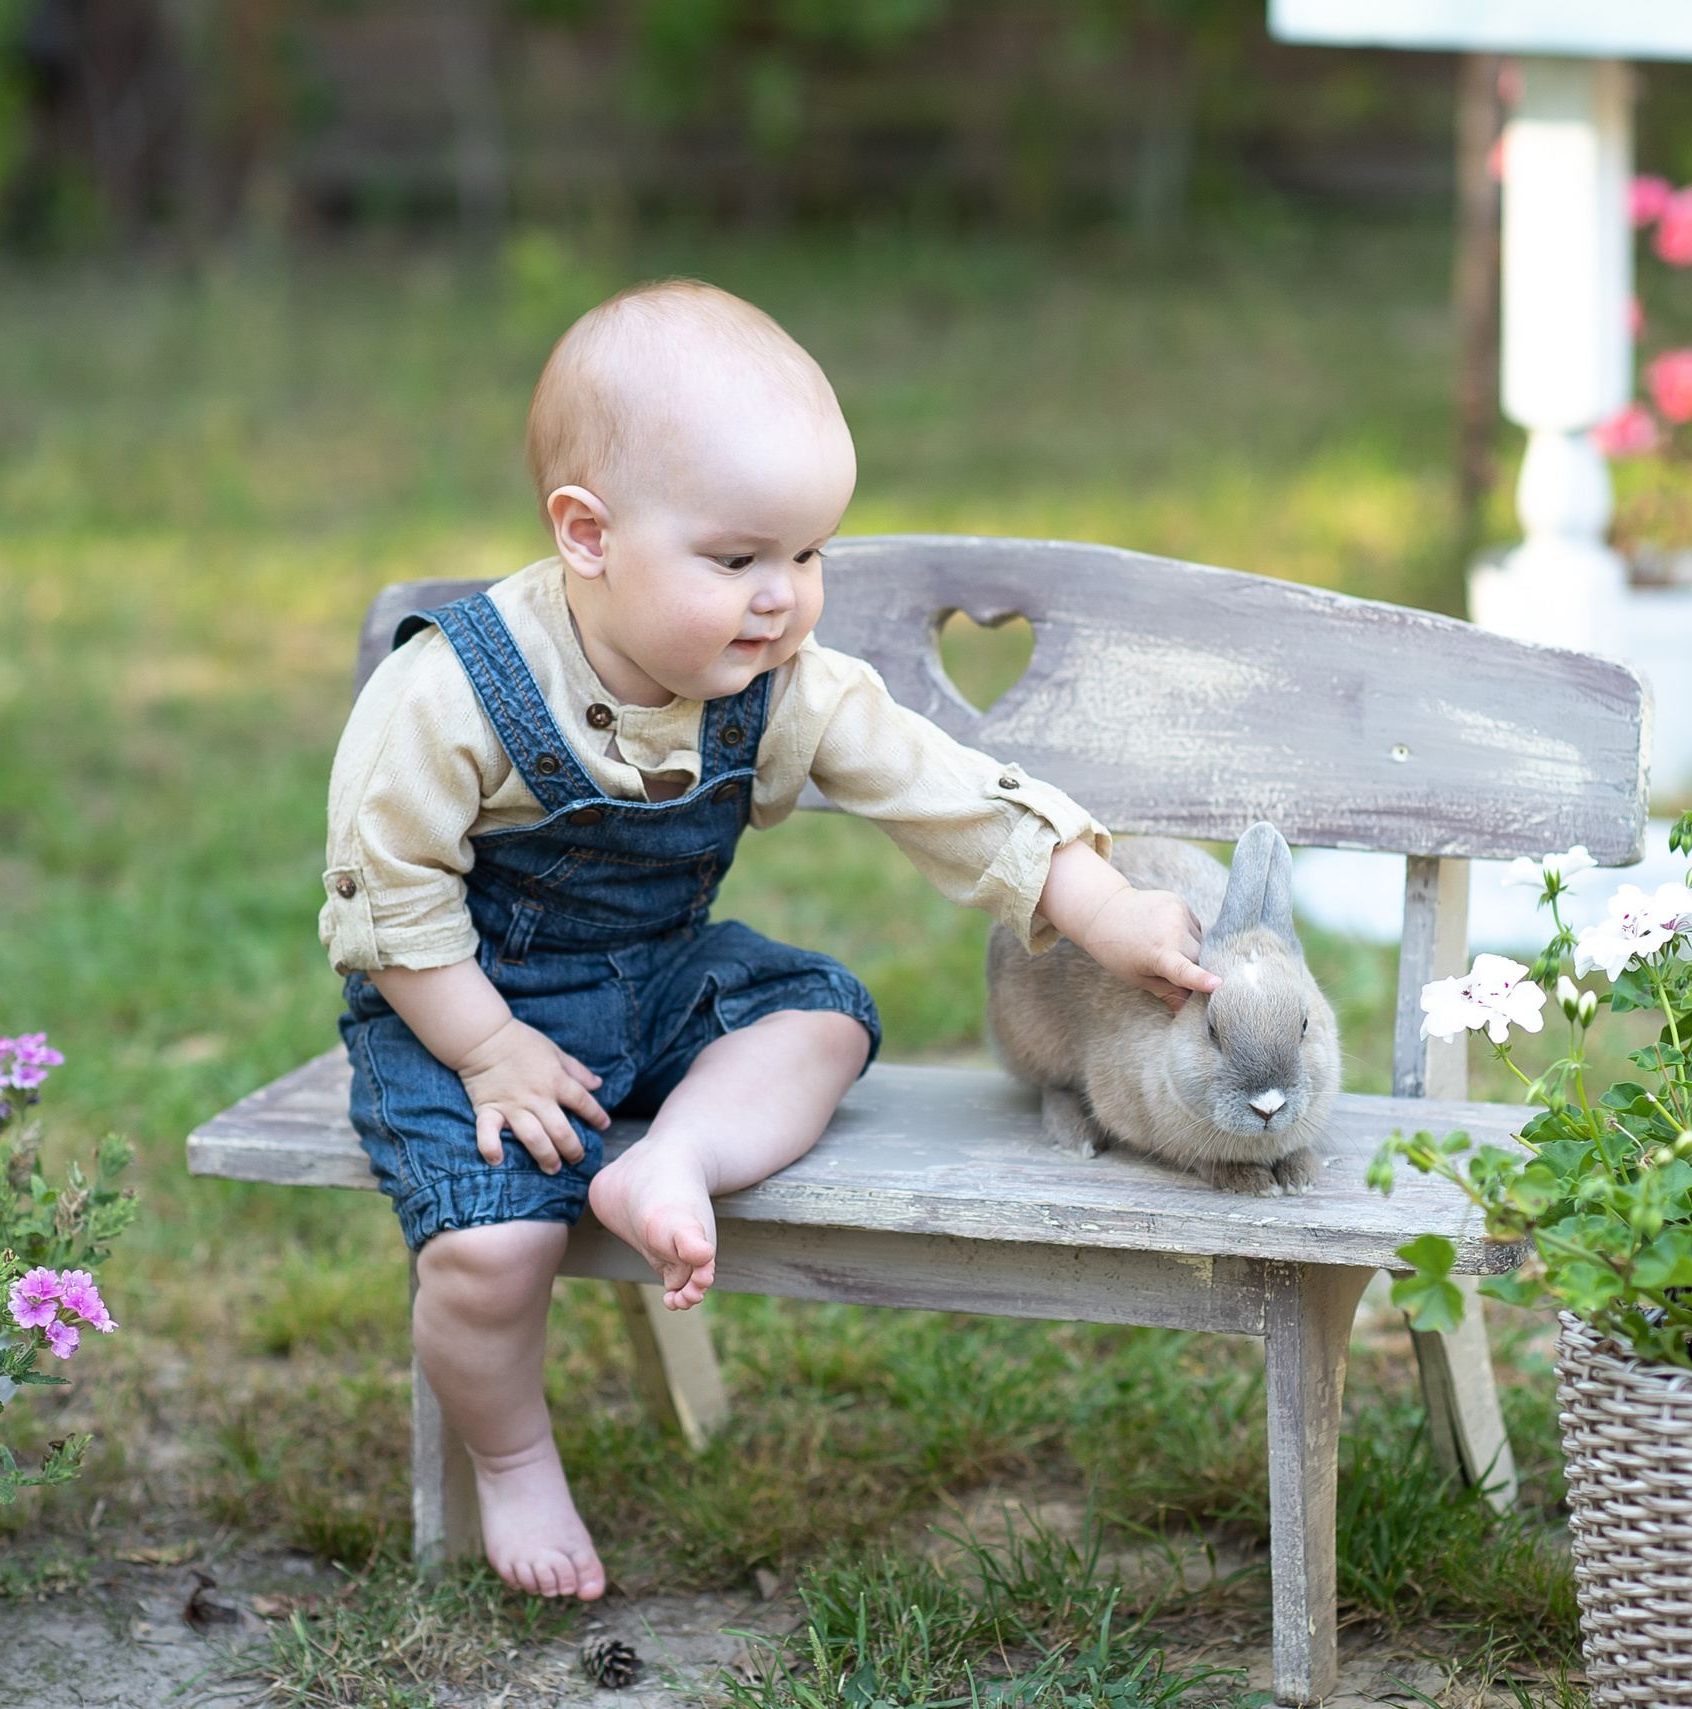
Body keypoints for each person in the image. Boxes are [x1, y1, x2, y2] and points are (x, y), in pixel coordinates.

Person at [319, 279, 1218, 1602]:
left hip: (655, 979)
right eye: (737, 559)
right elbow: (390, 904)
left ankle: (671, 1160)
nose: (782, 598)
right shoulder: (453, 690)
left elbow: (945, 790)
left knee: (822, 1014)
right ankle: (513, 1456)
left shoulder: (781, 685)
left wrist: (1106, 909)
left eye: (808, 556)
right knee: (489, 1248)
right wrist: (493, 1048)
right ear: (586, 535)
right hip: (460, 1005)